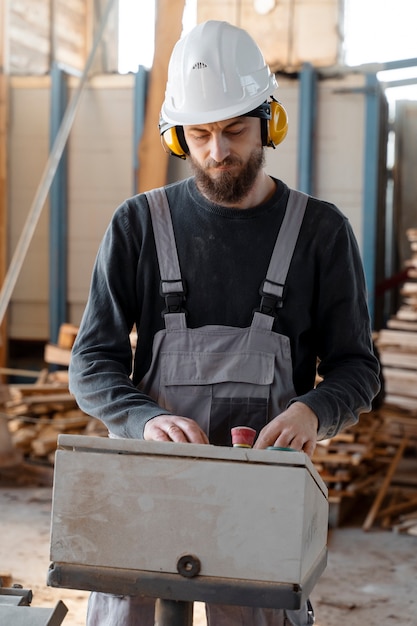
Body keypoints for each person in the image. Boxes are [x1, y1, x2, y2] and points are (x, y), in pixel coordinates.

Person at [69, 19, 380, 626]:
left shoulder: (320, 232)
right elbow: (91, 362)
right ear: (178, 135)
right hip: (147, 482)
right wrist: (145, 418)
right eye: (200, 133)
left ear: (270, 120)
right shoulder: (137, 225)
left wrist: (314, 411)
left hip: (260, 492)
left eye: (235, 130)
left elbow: (358, 367)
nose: (217, 152)